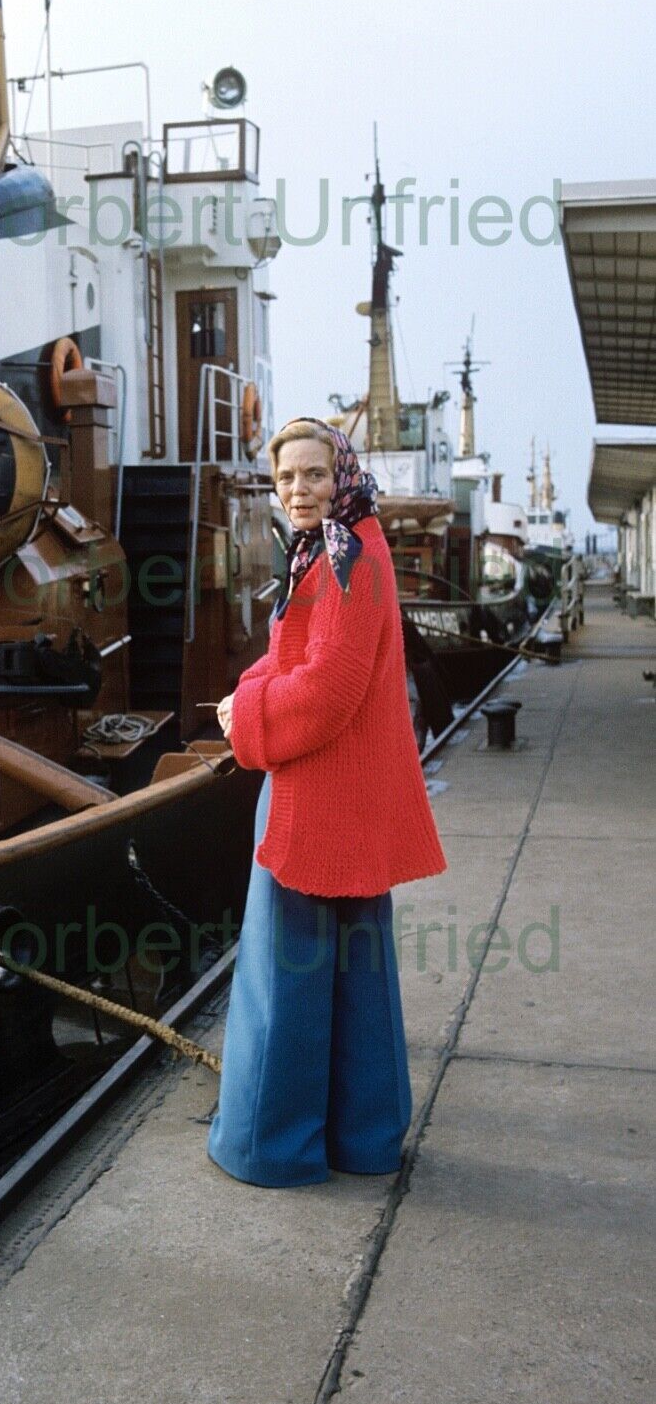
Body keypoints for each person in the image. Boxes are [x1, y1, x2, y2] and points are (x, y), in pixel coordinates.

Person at [208, 417, 446, 1187]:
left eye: (312, 474)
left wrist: (244, 717)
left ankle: (270, 1149)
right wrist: (250, 690)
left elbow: (330, 688)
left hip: (316, 792)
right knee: (358, 978)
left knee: (285, 982)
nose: (299, 490)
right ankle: (363, 1139)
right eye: (285, 478)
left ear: (339, 473)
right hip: (356, 795)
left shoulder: (343, 558)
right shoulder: (351, 544)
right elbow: (295, 656)